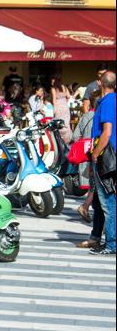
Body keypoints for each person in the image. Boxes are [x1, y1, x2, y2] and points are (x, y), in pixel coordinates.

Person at [89, 70, 116, 255]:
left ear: (100, 83)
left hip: (107, 156)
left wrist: (95, 153)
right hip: (112, 154)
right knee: (102, 200)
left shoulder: (107, 102)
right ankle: (97, 237)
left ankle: (112, 244)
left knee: (108, 201)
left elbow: (106, 132)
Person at [74, 90, 101, 230]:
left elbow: (75, 136)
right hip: (99, 154)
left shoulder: (85, 116)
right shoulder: (102, 117)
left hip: (86, 156)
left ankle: (85, 207)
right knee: (99, 186)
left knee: (94, 185)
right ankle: (86, 207)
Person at [50, 74, 73, 143]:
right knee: (66, 124)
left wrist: (53, 111)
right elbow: (68, 96)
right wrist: (64, 102)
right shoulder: (64, 87)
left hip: (58, 107)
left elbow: (54, 101)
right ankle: (67, 140)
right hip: (65, 107)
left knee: (59, 124)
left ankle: (60, 141)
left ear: (55, 80)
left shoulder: (53, 89)